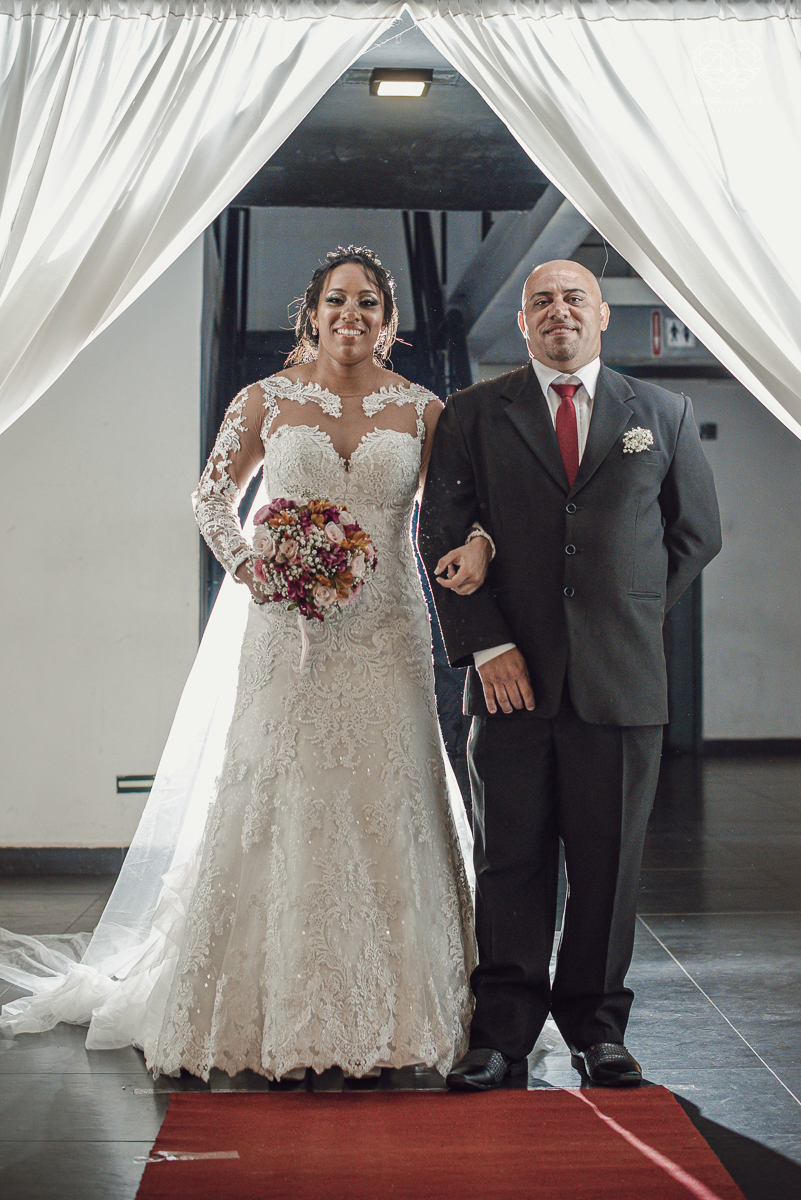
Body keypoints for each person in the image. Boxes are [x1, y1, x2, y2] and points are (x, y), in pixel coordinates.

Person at [0, 246, 484, 1082]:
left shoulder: (423, 411)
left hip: (385, 631)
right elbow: (210, 499)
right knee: (280, 790)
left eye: (369, 303)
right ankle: (266, 1003)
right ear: (312, 312)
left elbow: (456, 511)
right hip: (284, 634)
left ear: (389, 320)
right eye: (337, 300)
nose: (352, 315)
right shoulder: (264, 401)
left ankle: (403, 1006)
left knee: (387, 791)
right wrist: (255, 568)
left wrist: (478, 540)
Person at [418, 259, 722, 1090]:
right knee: (508, 860)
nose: (558, 310)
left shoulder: (661, 412)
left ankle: (597, 1029)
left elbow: (694, 534)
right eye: (540, 300)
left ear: (601, 316)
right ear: (522, 324)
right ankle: (501, 1034)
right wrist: (484, 644)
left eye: (573, 298)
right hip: (508, 680)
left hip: (621, 683)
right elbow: (440, 528)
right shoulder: (475, 414)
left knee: (607, 863)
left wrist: (621, 613)